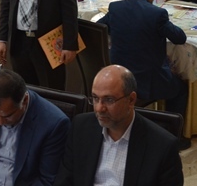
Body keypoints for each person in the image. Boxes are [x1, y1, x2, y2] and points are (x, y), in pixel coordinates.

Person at [53, 65, 184, 186]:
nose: (99, 108)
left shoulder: (162, 147)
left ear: (131, 100)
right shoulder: (81, 128)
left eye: (109, 100)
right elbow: (64, 181)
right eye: (95, 98)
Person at [97, 0, 189, 121]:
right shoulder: (157, 14)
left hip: (119, 76)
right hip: (148, 81)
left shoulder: (116, 8)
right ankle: (172, 129)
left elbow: (99, 28)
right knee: (181, 88)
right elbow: (180, 38)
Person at [0, 69, 70, 186]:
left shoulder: (53, 124)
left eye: (7, 116)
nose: (0, 122)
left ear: (24, 101)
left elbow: (46, 180)